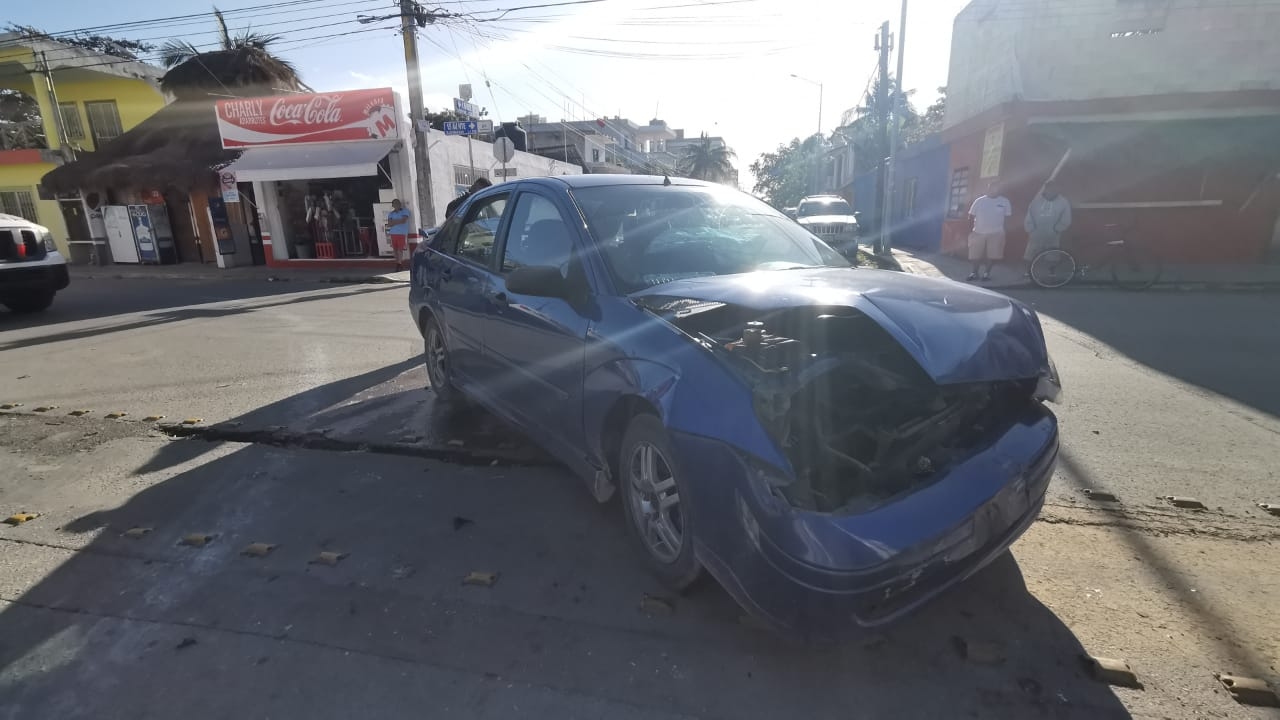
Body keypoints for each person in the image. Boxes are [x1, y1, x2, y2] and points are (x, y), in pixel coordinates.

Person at [1023, 180, 1072, 276]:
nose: (1052, 190)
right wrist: (1030, 229)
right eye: (1050, 188)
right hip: (1036, 232)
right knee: (1030, 252)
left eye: (1055, 188)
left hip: (1053, 233)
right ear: (1045, 189)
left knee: (1053, 254)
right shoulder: (1036, 200)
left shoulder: (1063, 202)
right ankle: (1028, 271)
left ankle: (1051, 272)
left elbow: (1066, 217)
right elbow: (1029, 215)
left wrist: (1057, 229)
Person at [967, 181, 1012, 281]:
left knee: (993, 255)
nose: (994, 190)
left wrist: (1006, 231)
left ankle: (986, 273)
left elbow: (1008, 218)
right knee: (975, 255)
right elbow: (970, 216)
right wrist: (970, 231)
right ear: (988, 188)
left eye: (996, 188)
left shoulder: (1005, 202)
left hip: (997, 233)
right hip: (978, 232)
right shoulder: (979, 201)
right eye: (992, 188)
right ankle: (974, 272)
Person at [385, 198, 412, 270]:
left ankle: (399, 264)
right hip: (393, 233)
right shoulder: (391, 213)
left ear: (400, 204)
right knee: (394, 249)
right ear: (393, 205)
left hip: (401, 233)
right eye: (395, 204)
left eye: (398, 203)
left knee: (400, 249)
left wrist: (393, 222)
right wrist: (397, 221)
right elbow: (389, 224)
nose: (397, 205)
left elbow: (403, 221)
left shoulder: (405, 211)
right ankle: (397, 263)